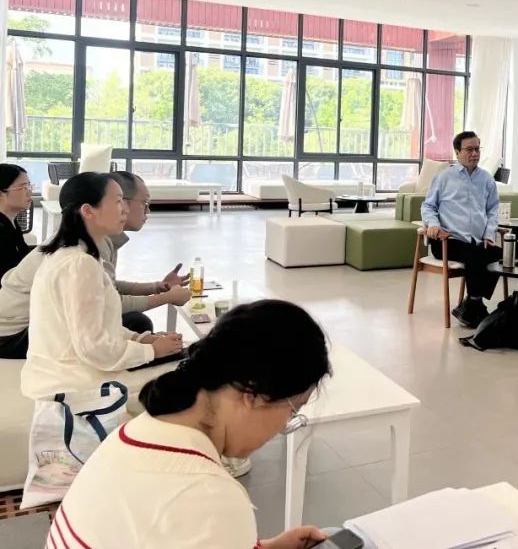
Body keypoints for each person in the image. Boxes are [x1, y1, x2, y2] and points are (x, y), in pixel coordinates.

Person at [46, 300, 331, 549]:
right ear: (253, 395)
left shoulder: (135, 433)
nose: (282, 427)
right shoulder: (208, 497)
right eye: (292, 410)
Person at [21, 172, 184, 400]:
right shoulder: (79, 264)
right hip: (73, 384)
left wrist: (144, 340)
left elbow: (103, 327)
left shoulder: (77, 255)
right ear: (88, 211)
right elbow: (93, 347)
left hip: (70, 374)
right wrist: (152, 351)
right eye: (118, 201)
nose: (125, 209)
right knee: (190, 373)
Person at [421, 131, 501, 328]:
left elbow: (493, 210)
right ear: (457, 152)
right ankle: (475, 305)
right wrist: (433, 224)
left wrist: (489, 233)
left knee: (499, 256)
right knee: (476, 255)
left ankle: (471, 304)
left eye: (477, 149)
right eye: (469, 149)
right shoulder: (444, 177)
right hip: (447, 241)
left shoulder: (487, 179)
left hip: (477, 240)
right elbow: (428, 206)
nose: (474, 154)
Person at [106, 171, 192, 333]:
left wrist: (157, 287)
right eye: (144, 203)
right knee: (138, 323)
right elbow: (108, 304)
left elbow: (109, 286)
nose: (148, 211)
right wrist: (166, 298)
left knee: (137, 322)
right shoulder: (93, 245)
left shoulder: (108, 239)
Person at [0, 164, 32, 283]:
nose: (29, 192)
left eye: (29, 185)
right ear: (1, 193)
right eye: (23, 187)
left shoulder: (11, 220)